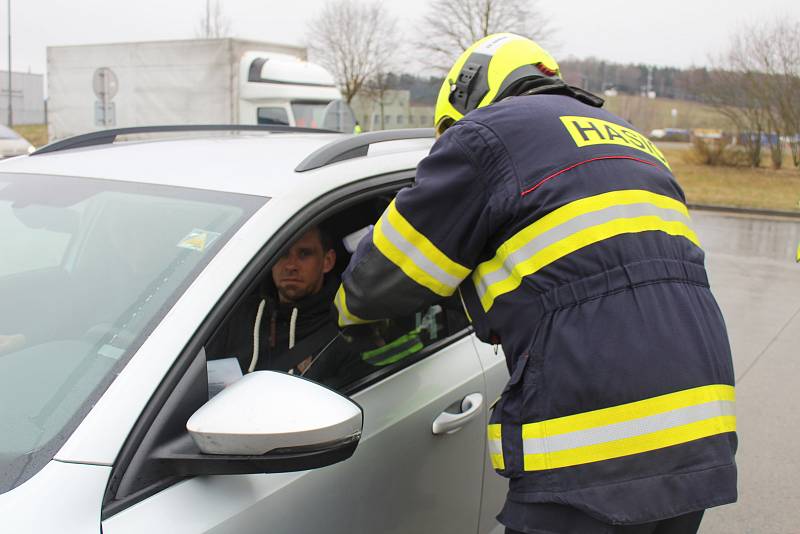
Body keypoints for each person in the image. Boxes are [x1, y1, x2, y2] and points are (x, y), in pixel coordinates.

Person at [334, 33, 736, 534]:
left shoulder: (486, 135)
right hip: (700, 427)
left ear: (467, 95)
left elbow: (380, 281)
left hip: (595, 439)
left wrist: (338, 315)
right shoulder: (635, 142)